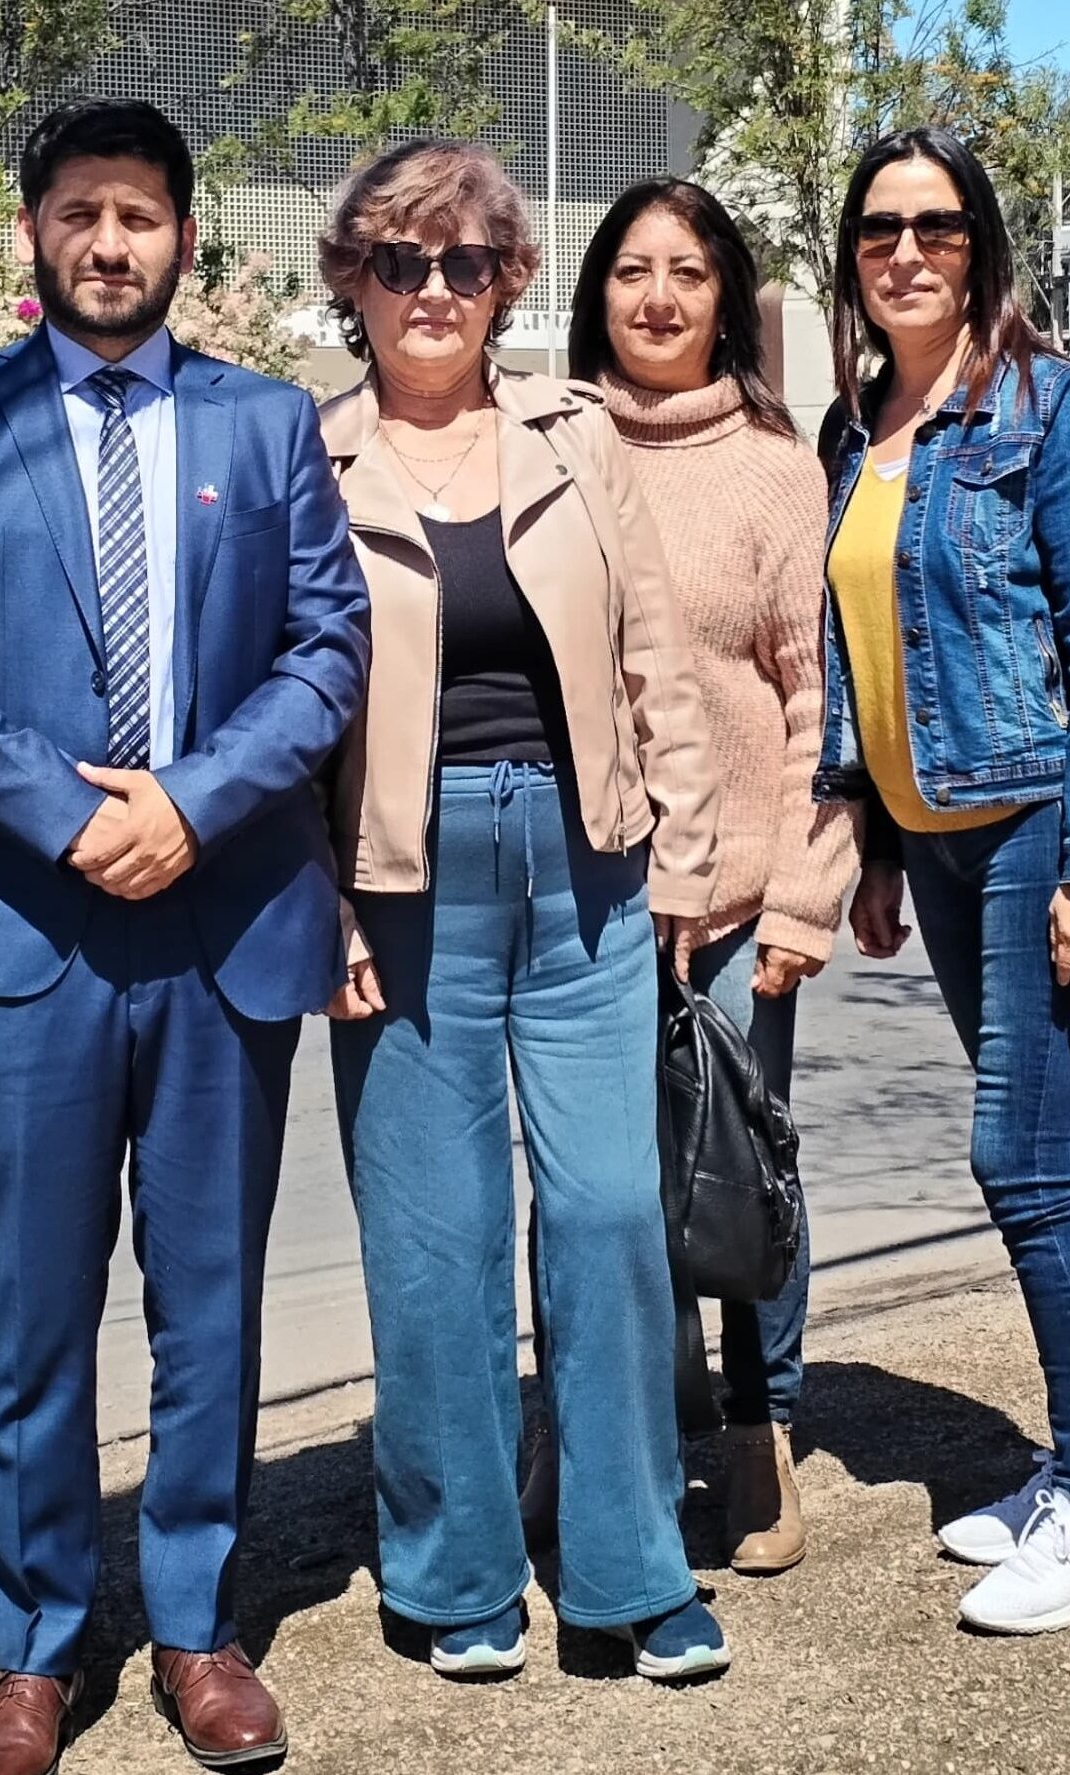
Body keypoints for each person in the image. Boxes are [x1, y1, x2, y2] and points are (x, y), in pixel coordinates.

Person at [0, 100, 370, 1775]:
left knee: (207, 1304)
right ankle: (32, 1652)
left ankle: (199, 1630)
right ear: (31, 234)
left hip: (223, 923)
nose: (107, 242)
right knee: (30, 1308)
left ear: (184, 241)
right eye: (78, 212)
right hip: (23, 928)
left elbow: (326, 649)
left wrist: (190, 805)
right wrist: (74, 812)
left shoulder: (266, 423)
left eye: (138, 215)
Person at [314, 140, 727, 1684]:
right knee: (436, 1242)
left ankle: (629, 1567)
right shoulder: (312, 453)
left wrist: (681, 859)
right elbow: (289, 706)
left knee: (612, 1221)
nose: (435, 292)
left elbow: (654, 656)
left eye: (467, 265)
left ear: (506, 287)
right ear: (351, 280)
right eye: (402, 263)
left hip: (589, 870)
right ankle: (455, 1567)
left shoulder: (575, 435)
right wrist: (315, 904)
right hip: (397, 886)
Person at [818, 126, 1070, 1634]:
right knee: (1065, 1153)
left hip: (1039, 833)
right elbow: (870, 653)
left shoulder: (1049, 413)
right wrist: (882, 845)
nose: (906, 250)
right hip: (940, 838)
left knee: (1017, 1162)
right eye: (881, 228)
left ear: (981, 247)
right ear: (849, 253)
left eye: (936, 228)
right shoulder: (861, 429)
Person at [563, 178, 855, 1575]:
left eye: (687, 272)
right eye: (631, 270)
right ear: (595, 291)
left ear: (727, 298)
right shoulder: (546, 445)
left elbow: (817, 699)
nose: (658, 298)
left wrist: (803, 894)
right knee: (593, 1185)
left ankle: (757, 1429)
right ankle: (600, 1430)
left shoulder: (773, 464)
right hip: (579, 894)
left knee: (735, 1173)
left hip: (740, 898)